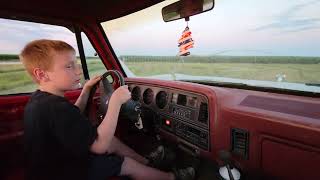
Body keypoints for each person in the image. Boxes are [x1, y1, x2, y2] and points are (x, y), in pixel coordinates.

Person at [21, 39, 195, 180]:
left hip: (52, 165)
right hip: (66, 172)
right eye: (69, 66)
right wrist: (115, 102)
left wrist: (86, 91)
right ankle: (171, 177)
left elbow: (72, 116)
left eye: (76, 64)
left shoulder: (41, 101)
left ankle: (147, 162)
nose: (78, 71)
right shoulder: (55, 107)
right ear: (42, 74)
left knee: (108, 139)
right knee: (125, 163)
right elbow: (99, 146)